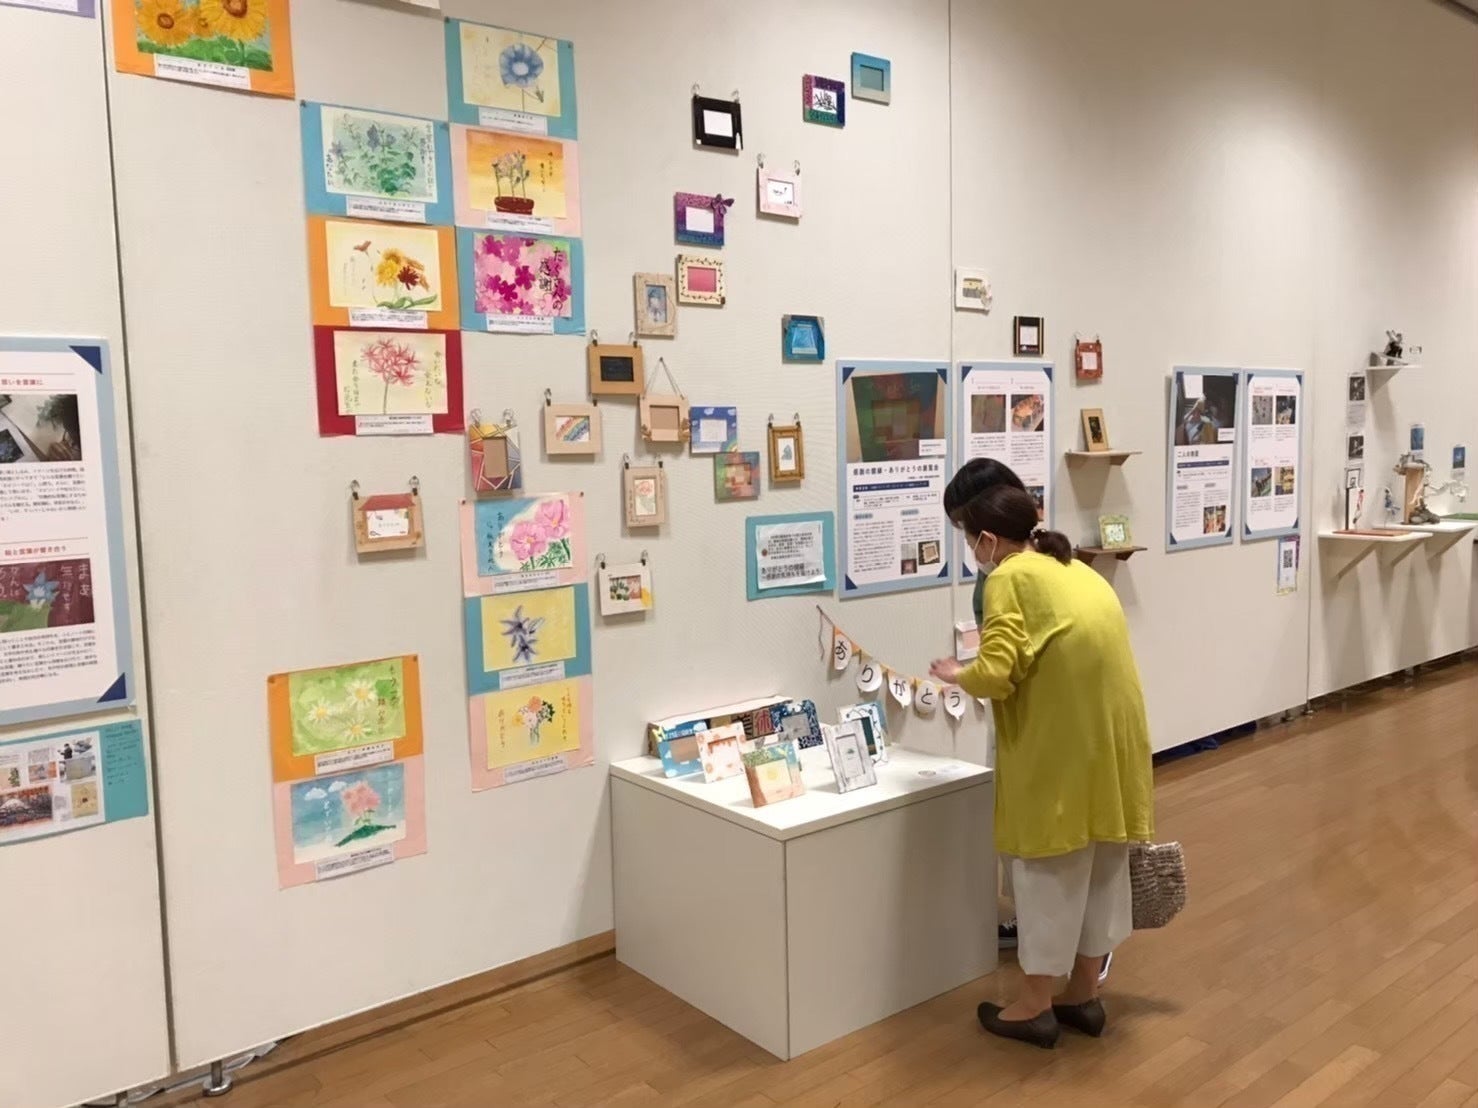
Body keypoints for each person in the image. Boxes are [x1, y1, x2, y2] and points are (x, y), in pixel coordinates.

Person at [931, 479, 1153, 1050]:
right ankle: (1083, 996)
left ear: (987, 538)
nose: (971, 552)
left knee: (1047, 874)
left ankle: (1034, 1006)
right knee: (1102, 868)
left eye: (968, 539)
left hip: (1060, 748)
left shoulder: (1009, 577)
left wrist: (958, 674)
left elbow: (997, 671)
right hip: (1115, 746)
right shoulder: (1075, 567)